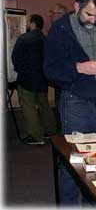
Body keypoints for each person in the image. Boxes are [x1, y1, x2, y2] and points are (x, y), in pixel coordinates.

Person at [43, 0, 96, 205]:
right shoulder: (60, 30)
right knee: (73, 161)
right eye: (88, 14)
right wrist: (78, 68)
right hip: (75, 103)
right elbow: (50, 69)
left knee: (95, 159)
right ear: (76, 7)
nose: (93, 20)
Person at [12, 14, 56, 145]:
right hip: (42, 78)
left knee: (29, 107)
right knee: (44, 105)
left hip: (27, 79)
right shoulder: (46, 39)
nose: (25, 24)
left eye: (27, 22)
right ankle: (51, 131)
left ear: (32, 24)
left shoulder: (23, 38)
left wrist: (21, 71)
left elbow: (16, 59)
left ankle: (36, 136)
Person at [48, 3, 68, 131]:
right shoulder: (57, 28)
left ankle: (64, 132)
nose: (50, 16)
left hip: (65, 75)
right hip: (59, 75)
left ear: (61, 14)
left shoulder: (63, 29)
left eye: (53, 13)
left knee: (64, 106)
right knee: (59, 105)